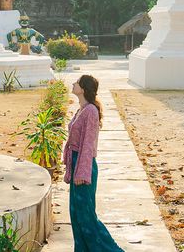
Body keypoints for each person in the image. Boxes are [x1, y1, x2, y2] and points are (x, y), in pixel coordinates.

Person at [62, 74, 124, 251]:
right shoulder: (82, 109)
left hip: (84, 166)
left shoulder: (90, 111)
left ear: (83, 88)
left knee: (87, 217)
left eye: (77, 82)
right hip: (77, 163)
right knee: (76, 214)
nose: (73, 84)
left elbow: (88, 144)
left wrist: (81, 172)